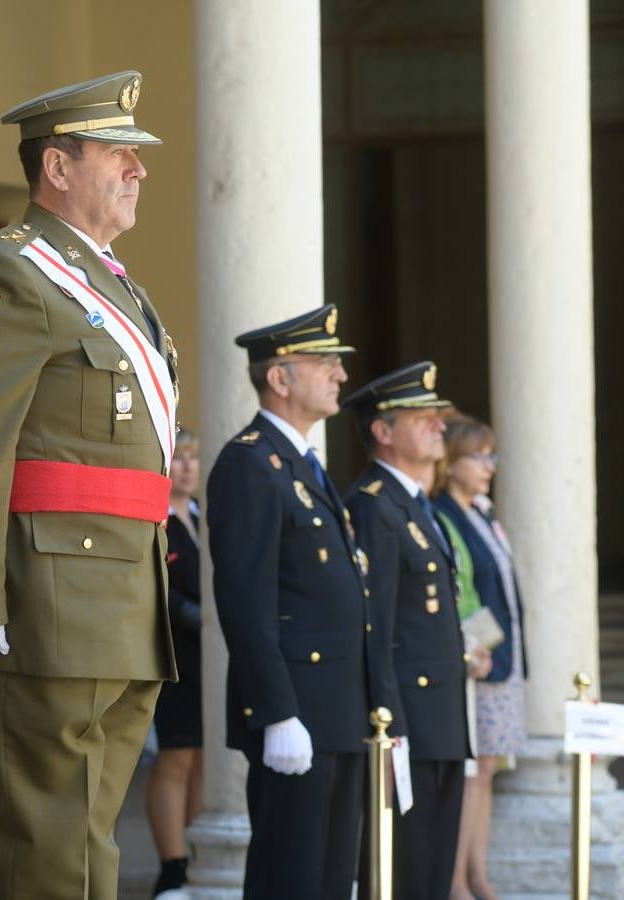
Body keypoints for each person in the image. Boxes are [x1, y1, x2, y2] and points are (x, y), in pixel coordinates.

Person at [0, 70, 179, 900]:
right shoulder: (11, 277)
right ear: (57, 168)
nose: (138, 170)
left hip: (120, 600)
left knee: (86, 844)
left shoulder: (114, 283)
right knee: (50, 852)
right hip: (51, 602)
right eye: (117, 154)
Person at [208, 306, 373, 899]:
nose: (339, 376)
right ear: (280, 379)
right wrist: (277, 712)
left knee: (330, 880)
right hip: (297, 711)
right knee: (291, 878)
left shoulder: (303, 464)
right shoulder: (249, 462)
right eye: (324, 364)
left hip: (338, 712)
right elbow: (245, 602)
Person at [343, 361, 489, 900]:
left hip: (441, 715)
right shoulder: (375, 505)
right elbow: (373, 626)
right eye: (422, 416)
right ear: (382, 432)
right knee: (403, 864)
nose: (437, 426)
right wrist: (388, 724)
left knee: (432, 861)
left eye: (438, 417)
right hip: (408, 718)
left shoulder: (413, 504)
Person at [433, 414, 527, 900]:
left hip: (501, 659)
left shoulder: (481, 512)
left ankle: (478, 876)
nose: (489, 464)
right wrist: (478, 645)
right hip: (479, 662)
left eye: (491, 454)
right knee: (472, 774)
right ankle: (454, 884)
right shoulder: (444, 515)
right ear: (450, 462)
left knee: (487, 771)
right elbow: (460, 592)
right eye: (478, 455)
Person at [146, 427, 202, 898]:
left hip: (209, 657)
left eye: (192, 458)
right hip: (175, 653)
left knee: (203, 759)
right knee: (176, 759)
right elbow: (157, 588)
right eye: (178, 457)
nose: (186, 466)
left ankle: (193, 855)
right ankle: (172, 864)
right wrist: (193, 615)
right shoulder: (157, 516)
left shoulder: (201, 517)